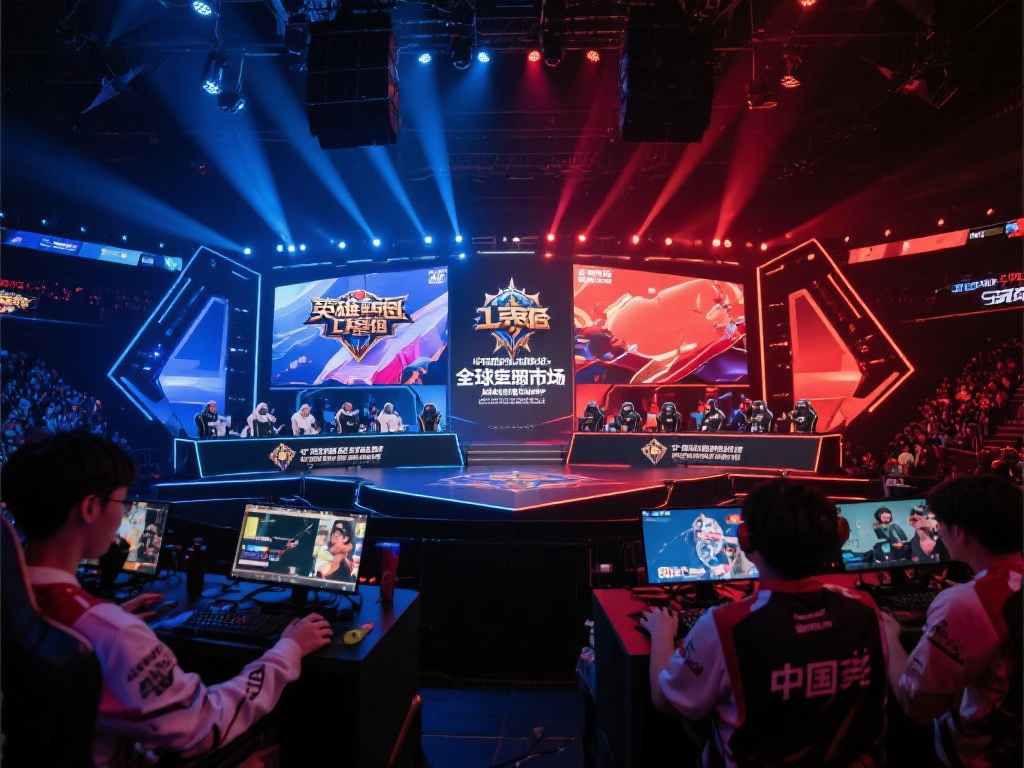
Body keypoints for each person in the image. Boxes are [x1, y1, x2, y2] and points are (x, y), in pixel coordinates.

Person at [0, 431, 333, 767]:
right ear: (90, 508)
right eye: (121, 503)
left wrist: (111, 617)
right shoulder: (111, 633)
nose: (123, 514)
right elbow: (206, 723)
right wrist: (289, 649)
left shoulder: (21, 604)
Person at [643, 478, 888, 768]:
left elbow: (665, 700)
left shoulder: (725, 626)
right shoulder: (865, 608)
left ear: (746, 540)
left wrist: (661, 633)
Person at [883, 476, 1022, 768]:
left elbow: (918, 704)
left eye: (940, 523)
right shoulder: (992, 591)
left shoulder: (965, 603)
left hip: (979, 755)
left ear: (959, 533)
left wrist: (891, 637)